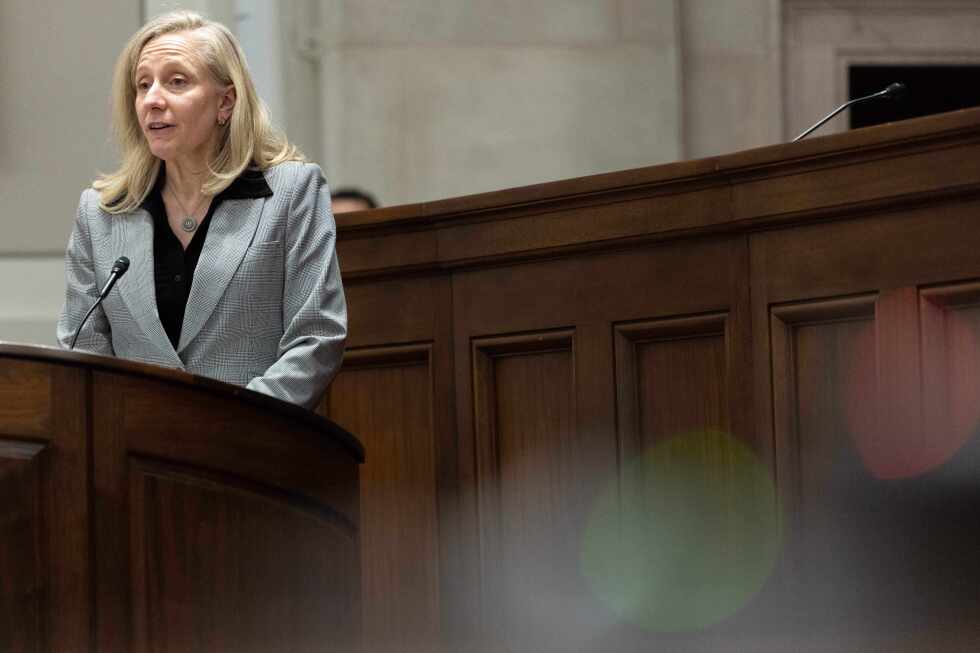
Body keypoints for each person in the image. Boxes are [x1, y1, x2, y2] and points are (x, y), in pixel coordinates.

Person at [56, 10, 346, 410]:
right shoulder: (101, 212)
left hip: (254, 437)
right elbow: (83, 346)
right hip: (134, 442)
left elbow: (316, 336)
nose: (153, 100)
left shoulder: (291, 192)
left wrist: (228, 427)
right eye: (143, 85)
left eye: (177, 81)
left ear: (225, 102)